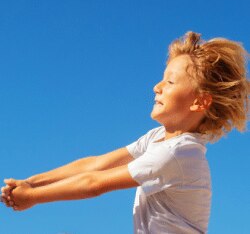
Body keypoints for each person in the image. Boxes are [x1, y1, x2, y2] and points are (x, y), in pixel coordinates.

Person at [1, 31, 249, 234]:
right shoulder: (157, 139)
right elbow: (96, 164)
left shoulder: (180, 154)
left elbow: (94, 184)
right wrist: (32, 182)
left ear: (200, 102)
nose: (157, 87)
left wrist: (33, 197)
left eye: (170, 82)